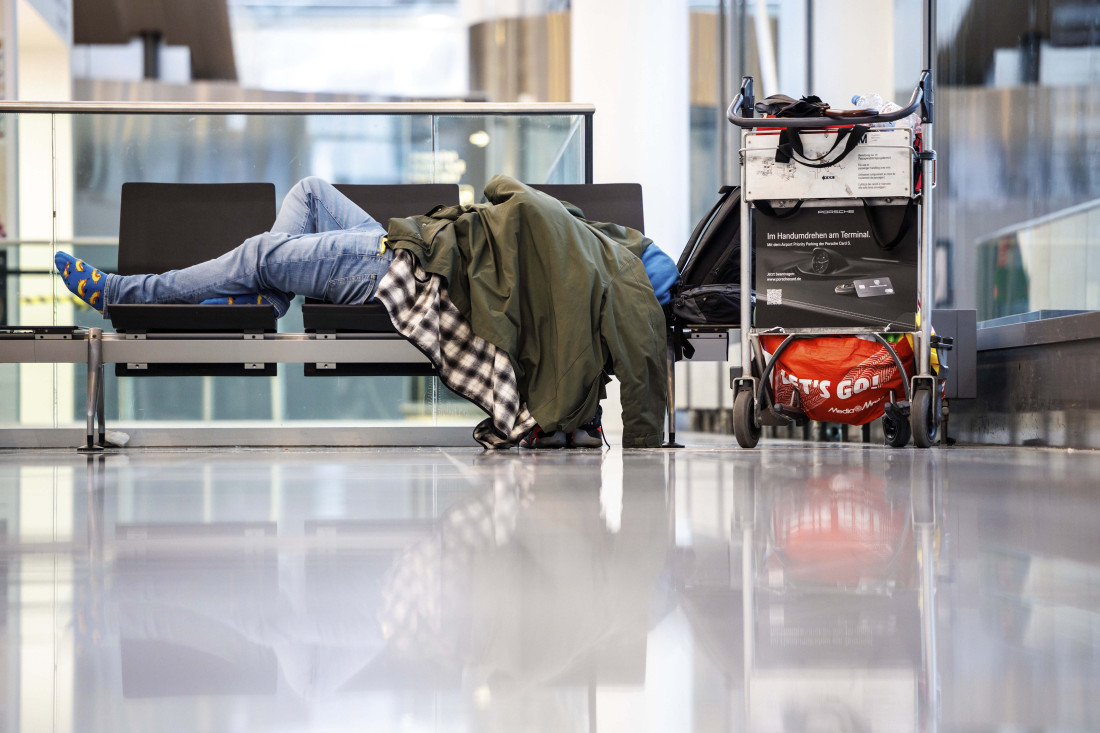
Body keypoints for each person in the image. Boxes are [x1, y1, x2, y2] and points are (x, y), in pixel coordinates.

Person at [56, 176, 677, 450]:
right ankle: (266, 297)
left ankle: (122, 292)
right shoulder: (609, 248)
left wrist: (646, 435)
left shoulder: (624, 279)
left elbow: (640, 342)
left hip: (404, 269)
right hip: (418, 241)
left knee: (259, 252)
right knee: (309, 193)